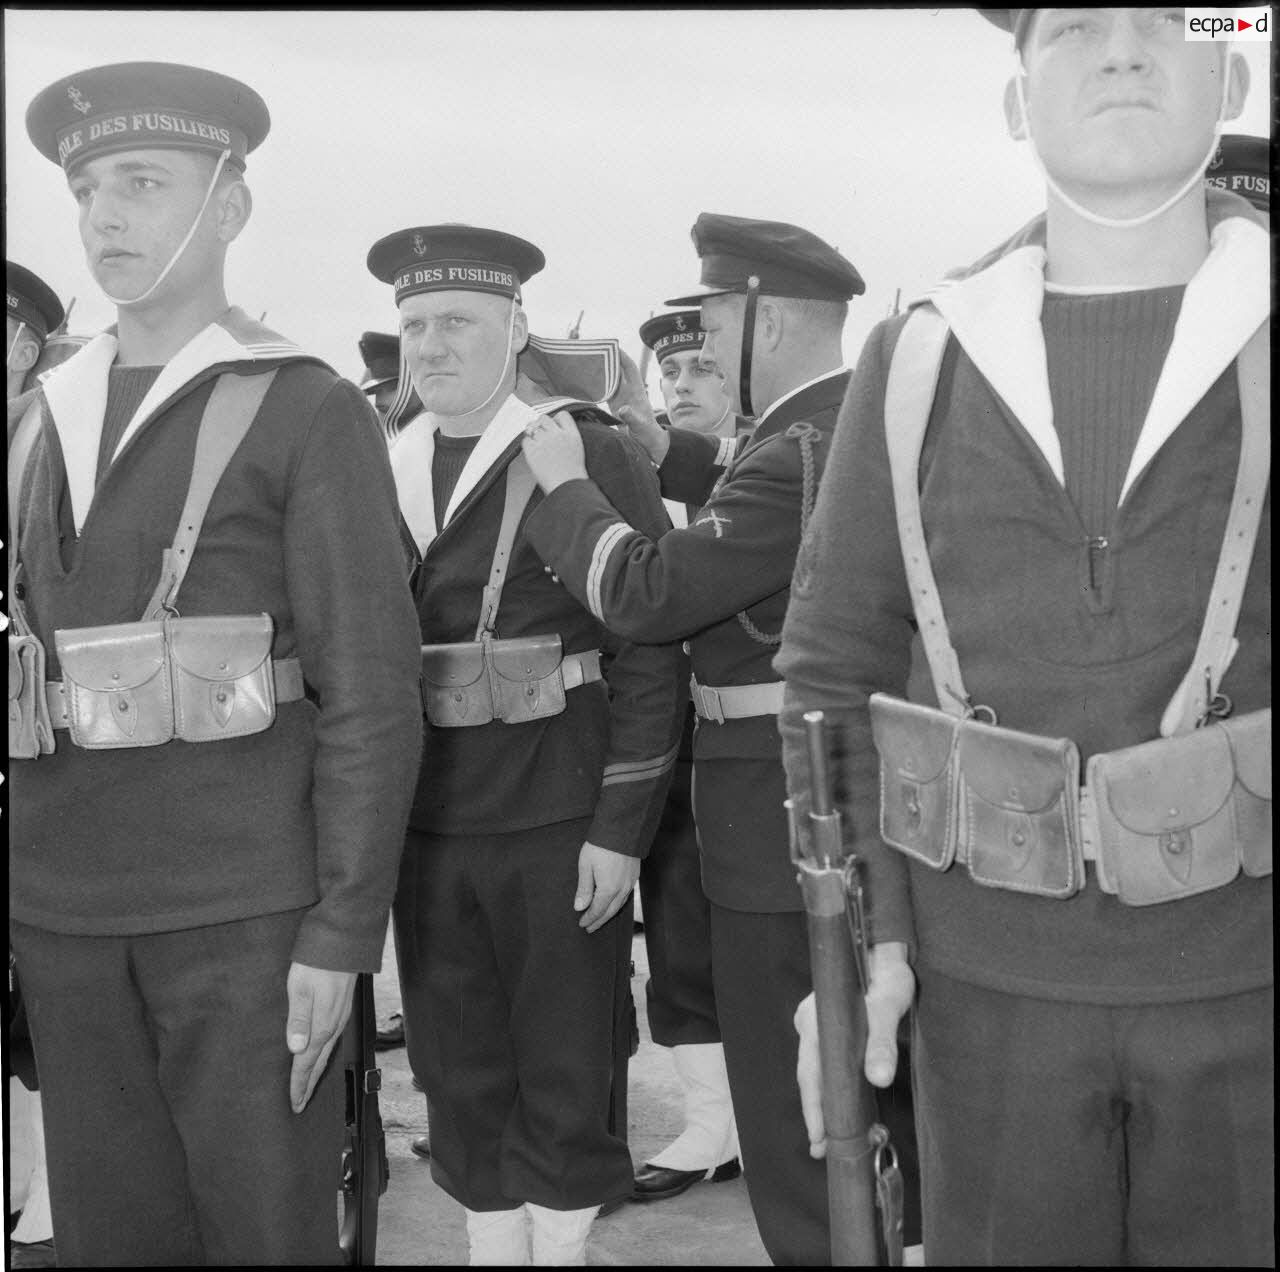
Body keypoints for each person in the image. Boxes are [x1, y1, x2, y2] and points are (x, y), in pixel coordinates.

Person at [780, 8, 1271, 1265]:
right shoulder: (916, 357)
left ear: (1229, 74)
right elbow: (830, 674)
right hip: (982, 1003)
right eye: (1072, 29)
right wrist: (863, 947)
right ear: (1014, 103)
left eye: (1164, 19)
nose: (1120, 50)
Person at [10, 61, 423, 1266]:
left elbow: (371, 695)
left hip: (243, 920)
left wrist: (341, 935)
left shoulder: (301, 407)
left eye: (144, 182)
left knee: (264, 1235)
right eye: (89, 188)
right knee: (109, 1236)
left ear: (229, 206)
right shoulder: (39, 417)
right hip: (66, 914)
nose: (106, 216)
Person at [522, 212, 919, 1265]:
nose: (695, 350)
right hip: (837, 793)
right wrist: (665, 453)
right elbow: (741, 482)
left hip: (774, 817)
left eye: (712, 324)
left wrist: (565, 491)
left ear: (768, 322)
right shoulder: (837, 425)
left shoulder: (793, 453)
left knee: (802, 1105)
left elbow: (646, 593)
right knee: (861, 1083)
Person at [365, 222, 682, 1266]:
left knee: (562, 1058)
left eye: (455, 322)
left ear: (515, 328)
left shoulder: (578, 448)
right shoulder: (383, 462)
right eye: (413, 326)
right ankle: (491, 1247)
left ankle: (558, 1248)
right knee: (454, 1061)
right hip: (429, 818)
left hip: (558, 811)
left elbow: (643, 650)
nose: (430, 346)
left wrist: (621, 829)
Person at [624, 309, 743, 1204]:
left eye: (704, 366)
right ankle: (713, 1121)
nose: (685, 388)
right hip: (682, 737)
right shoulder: (653, 479)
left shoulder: (766, 463)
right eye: (672, 375)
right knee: (677, 925)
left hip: (768, 743)